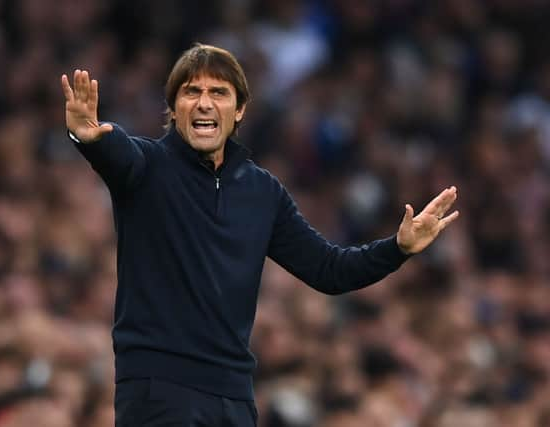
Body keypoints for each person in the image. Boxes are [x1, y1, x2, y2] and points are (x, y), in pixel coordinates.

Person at [60, 43, 458, 427]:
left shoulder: (262, 191)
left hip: (234, 397)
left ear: (239, 111)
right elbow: (114, 153)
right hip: (159, 389)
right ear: (174, 108)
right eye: (191, 92)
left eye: (219, 92)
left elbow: (329, 270)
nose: (204, 103)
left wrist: (398, 248)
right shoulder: (146, 166)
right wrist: (87, 138)